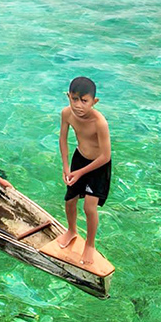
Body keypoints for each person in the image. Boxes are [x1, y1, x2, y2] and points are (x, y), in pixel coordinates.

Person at [56, 75, 111, 267]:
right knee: (70, 200)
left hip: (98, 166)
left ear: (94, 102)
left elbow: (106, 156)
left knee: (89, 207)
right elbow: (63, 139)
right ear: (68, 96)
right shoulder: (67, 114)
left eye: (84, 101)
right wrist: (66, 167)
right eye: (74, 99)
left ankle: (90, 244)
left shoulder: (99, 122)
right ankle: (71, 230)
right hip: (79, 159)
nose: (78, 105)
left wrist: (80, 173)